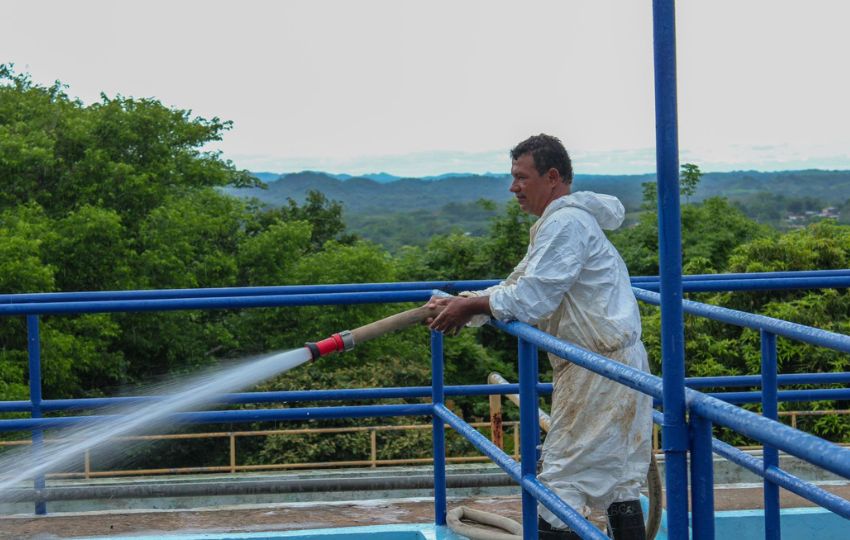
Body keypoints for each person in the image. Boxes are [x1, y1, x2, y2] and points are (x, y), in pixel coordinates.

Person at [427, 134, 652, 540]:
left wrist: (473, 307)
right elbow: (518, 283)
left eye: (520, 177)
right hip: (607, 365)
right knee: (619, 479)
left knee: (560, 479)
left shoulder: (565, 223)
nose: (513, 188)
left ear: (551, 177)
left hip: (597, 368)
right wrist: (463, 303)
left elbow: (531, 297)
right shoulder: (558, 222)